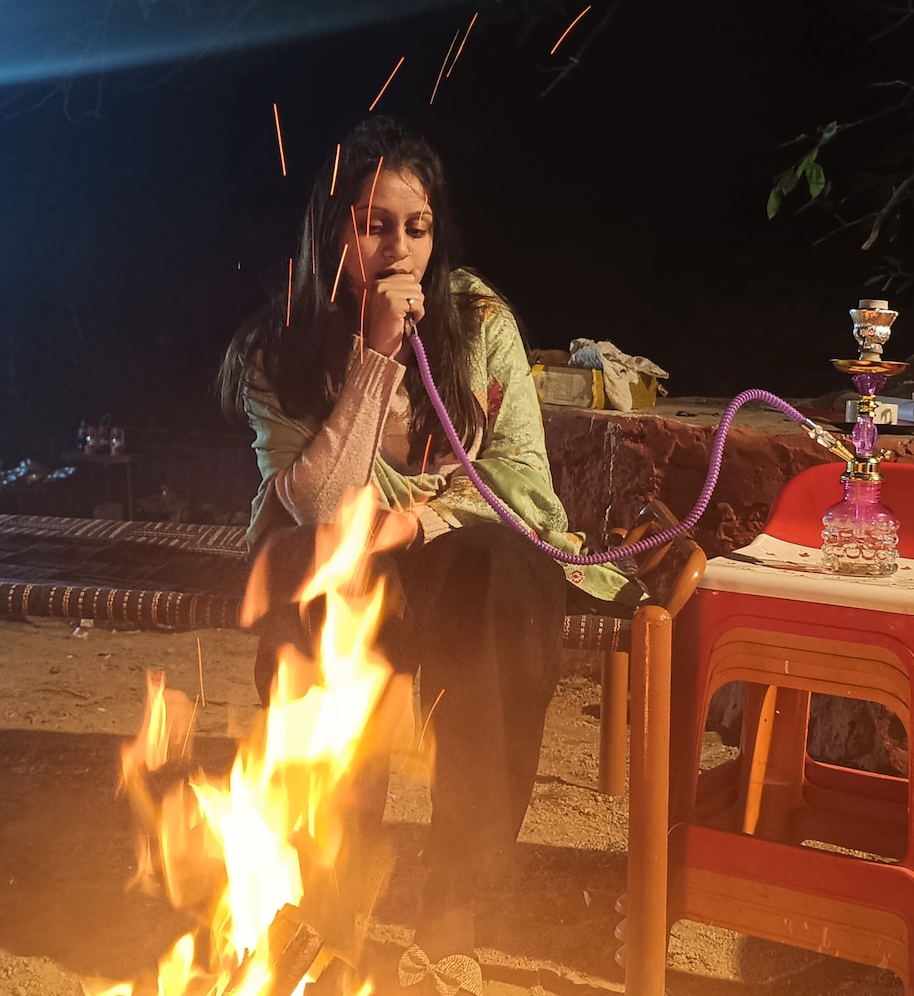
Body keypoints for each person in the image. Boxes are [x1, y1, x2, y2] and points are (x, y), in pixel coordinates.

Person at [218, 115, 641, 994]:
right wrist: (375, 357)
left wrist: (411, 524)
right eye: (374, 226)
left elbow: (521, 482)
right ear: (332, 231)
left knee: (508, 570)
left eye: (416, 228)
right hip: (342, 564)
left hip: (449, 558)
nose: (398, 251)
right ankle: (329, 906)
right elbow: (318, 504)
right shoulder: (280, 349)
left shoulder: (480, 322)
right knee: (316, 572)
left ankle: (452, 912)